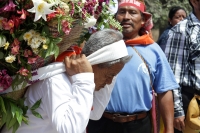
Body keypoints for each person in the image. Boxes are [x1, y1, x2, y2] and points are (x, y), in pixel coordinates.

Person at [1, 29, 131, 133]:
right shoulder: (56, 80)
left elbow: (95, 113)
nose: (109, 82)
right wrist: (85, 80)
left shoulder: (82, 80)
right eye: (110, 75)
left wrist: (92, 78)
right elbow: (71, 130)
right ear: (94, 63)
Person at [87, 0, 180, 133]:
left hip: (138, 125)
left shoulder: (153, 50)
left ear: (143, 20)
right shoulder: (100, 46)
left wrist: (169, 130)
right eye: (122, 12)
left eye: (133, 12)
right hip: (101, 123)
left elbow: (164, 91)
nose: (126, 17)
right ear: (114, 18)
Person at [163, 0, 200, 133]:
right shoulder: (181, 30)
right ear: (194, 2)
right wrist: (177, 111)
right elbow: (173, 73)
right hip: (191, 103)